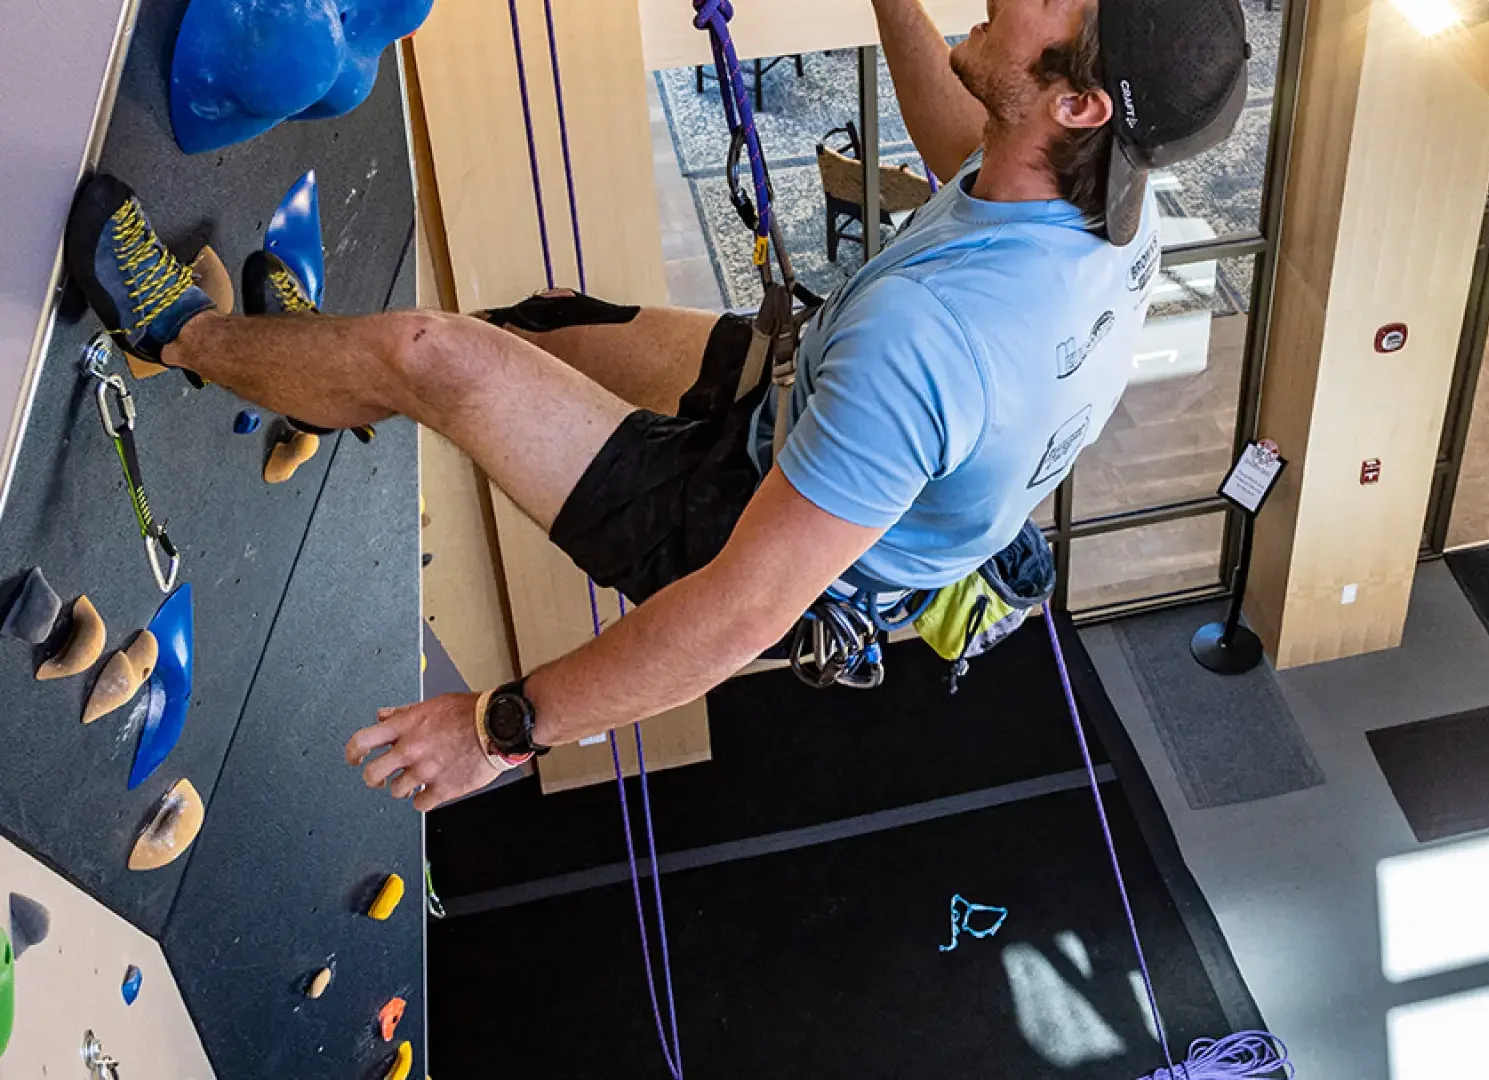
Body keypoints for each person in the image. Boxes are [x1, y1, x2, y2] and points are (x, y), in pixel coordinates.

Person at [62, 0, 1249, 810]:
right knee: (542, 328)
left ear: (1082, 104)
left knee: (443, 359)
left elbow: (734, 616)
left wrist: (500, 730)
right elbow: (968, 151)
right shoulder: (1110, 212)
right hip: (807, 398)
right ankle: (314, 378)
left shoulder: (934, 347)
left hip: (741, 532)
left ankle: (183, 334)